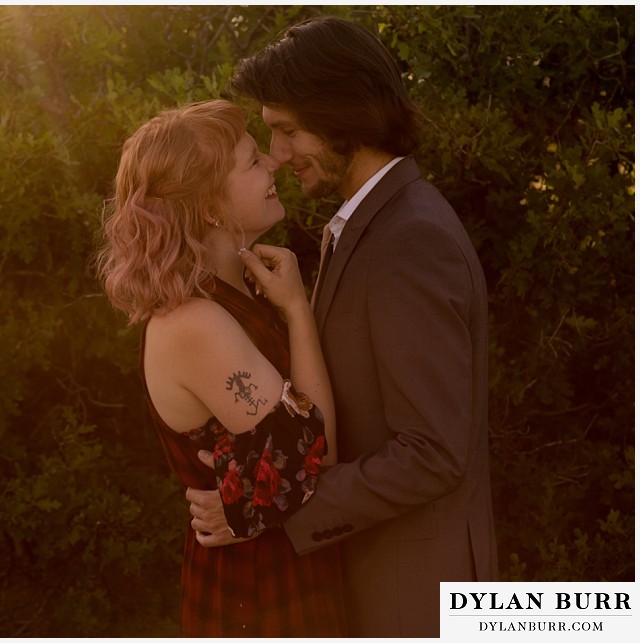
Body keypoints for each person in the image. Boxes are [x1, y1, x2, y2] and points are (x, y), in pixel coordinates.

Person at [185, 16, 499, 638]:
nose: (276, 156)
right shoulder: (375, 222)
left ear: (344, 115)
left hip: (413, 599)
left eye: (288, 132)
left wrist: (265, 506)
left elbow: (433, 454)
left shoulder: (410, 239)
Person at [97, 99, 347, 636]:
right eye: (252, 162)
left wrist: (250, 499)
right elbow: (317, 451)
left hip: (286, 565)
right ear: (210, 205)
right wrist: (299, 313)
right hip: (257, 595)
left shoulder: (243, 293)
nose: (273, 164)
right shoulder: (193, 322)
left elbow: (292, 461)